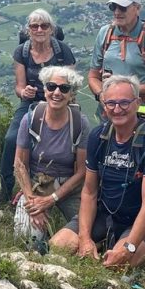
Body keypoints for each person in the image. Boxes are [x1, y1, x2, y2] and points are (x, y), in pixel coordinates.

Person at [50, 75, 145, 269]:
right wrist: (84, 238)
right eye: (111, 103)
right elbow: (89, 192)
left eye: (124, 103)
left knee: (118, 265)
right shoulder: (99, 136)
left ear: (137, 103)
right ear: (104, 105)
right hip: (105, 214)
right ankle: (98, 243)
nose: (117, 109)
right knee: (57, 248)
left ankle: (118, 246)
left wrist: (128, 248)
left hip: (142, 221)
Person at [0, 9, 77, 202]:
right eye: (35, 26)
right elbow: (19, 86)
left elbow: (71, 85)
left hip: (59, 102)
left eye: (44, 26)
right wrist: (24, 92)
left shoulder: (62, 51)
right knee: (11, 139)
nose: (40, 29)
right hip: (31, 104)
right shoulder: (22, 52)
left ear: (51, 29)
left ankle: (73, 188)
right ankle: (5, 188)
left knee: (78, 141)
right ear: (28, 30)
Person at [12, 65, 90, 245]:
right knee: (26, 241)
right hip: (37, 185)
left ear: (72, 94)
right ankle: (42, 237)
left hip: (69, 188)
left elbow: (81, 172)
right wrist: (33, 204)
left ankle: (57, 239)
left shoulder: (80, 123)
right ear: (44, 89)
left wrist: (51, 200)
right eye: (51, 86)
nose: (57, 92)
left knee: (88, 229)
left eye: (64, 88)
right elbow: (19, 164)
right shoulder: (30, 119)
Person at [87, 0, 145, 112]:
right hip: (108, 110)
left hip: (141, 111)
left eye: (122, 7)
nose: (117, 12)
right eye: (113, 7)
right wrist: (101, 94)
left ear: (137, 9)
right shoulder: (105, 33)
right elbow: (93, 76)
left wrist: (119, 91)